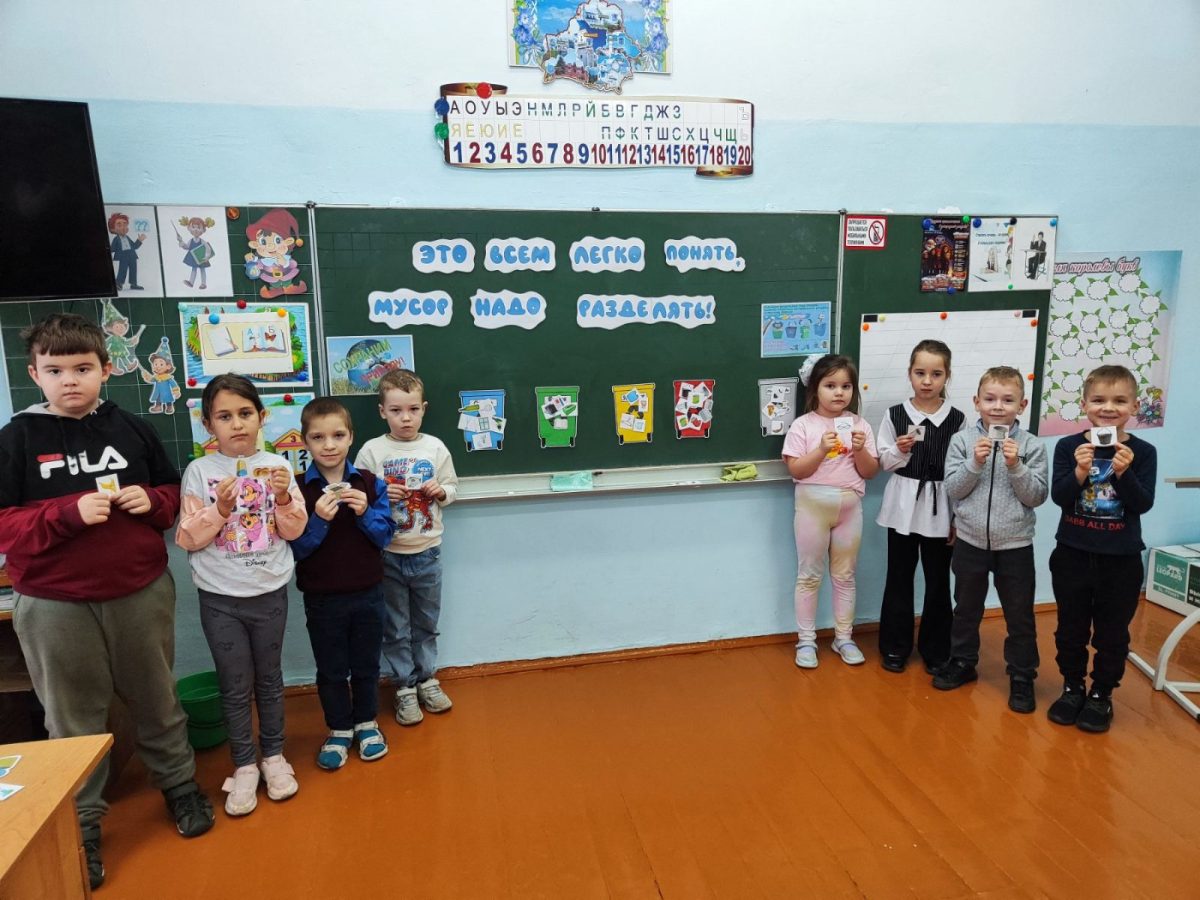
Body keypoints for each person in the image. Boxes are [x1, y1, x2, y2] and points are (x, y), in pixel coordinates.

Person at [0, 313, 213, 890]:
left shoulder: (134, 429)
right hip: (55, 604)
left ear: (106, 369)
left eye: (82, 368)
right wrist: (65, 514)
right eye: (55, 370)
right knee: (72, 718)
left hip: (138, 592)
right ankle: (83, 825)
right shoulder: (16, 440)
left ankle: (179, 786)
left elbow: (174, 496)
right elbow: (4, 525)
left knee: (157, 697)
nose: (70, 380)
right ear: (35, 375)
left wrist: (155, 502)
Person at [176, 374, 308, 816]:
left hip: (269, 591)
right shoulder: (199, 472)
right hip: (220, 598)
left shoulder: (277, 466)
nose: (237, 424)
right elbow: (188, 537)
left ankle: (274, 757)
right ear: (208, 424)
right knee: (234, 686)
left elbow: (295, 530)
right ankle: (245, 765)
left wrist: (284, 496)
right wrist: (221, 509)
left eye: (245, 413)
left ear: (262, 417)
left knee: (269, 680)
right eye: (224, 416)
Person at [1047, 365, 1156, 732]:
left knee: (1112, 633)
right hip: (1072, 554)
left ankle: (1101, 694)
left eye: (1119, 401)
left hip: (1121, 561)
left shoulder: (1143, 452)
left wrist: (1124, 473)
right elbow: (1060, 497)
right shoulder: (1068, 447)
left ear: (1134, 406)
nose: (1108, 408)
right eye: (1099, 400)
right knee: (1070, 628)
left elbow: (1142, 504)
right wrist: (1080, 471)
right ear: (1084, 404)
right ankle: (1072, 687)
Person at [934, 366, 1048, 713]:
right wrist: (974, 463)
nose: (998, 406)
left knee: (1019, 614)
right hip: (969, 542)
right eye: (990, 399)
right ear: (977, 402)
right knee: (966, 608)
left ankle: (1022, 675)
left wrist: (1016, 466)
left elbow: (1037, 496)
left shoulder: (1032, 445)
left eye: (1008, 400)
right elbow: (953, 489)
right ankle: (962, 662)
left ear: (1022, 405)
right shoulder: (962, 441)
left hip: (1015, 544)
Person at [290, 397, 395, 768]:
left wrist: (365, 511)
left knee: (366, 664)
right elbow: (296, 549)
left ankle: (366, 723)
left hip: (369, 593)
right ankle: (338, 729)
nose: (329, 445)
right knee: (331, 669)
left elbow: (385, 536)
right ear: (305, 441)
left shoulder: (370, 483)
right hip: (322, 599)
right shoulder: (297, 490)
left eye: (337, 435)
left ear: (351, 436)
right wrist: (318, 520)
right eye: (318, 437)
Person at [354, 370, 459, 725]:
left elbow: (452, 488)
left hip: (427, 551)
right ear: (382, 411)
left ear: (424, 409)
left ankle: (427, 678)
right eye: (396, 410)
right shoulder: (372, 451)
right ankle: (404, 686)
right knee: (395, 626)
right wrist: (380, 492)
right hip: (387, 555)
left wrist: (441, 491)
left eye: (413, 409)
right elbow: (358, 497)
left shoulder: (435, 448)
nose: (405, 418)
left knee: (426, 623)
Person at [782, 354, 879, 669]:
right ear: (815, 388)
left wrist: (860, 448)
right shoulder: (803, 425)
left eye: (846, 386)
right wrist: (822, 449)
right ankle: (806, 640)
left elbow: (869, 472)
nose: (839, 392)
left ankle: (844, 637)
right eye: (830, 385)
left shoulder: (860, 425)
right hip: (812, 506)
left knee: (845, 575)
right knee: (809, 575)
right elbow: (796, 469)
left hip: (850, 508)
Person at [876, 340, 967, 674]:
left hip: (942, 506)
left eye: (936, 374)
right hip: (902, 505)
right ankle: (895, 647)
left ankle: (936, 649)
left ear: (947, 376)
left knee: (938, 580)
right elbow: (883, 461)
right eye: (920, 373)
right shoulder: (895, 414)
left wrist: (957, 517)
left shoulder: (957, 419)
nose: (927, 381)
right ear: (910, 374)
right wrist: (899, 451)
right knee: (899, 576)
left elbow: (962, 470)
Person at [107, 211, 146, 290]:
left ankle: (133, 284)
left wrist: (139, 240)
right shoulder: (116, 239)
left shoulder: (127, 237)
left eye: (125, 224)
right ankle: (119, 283)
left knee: (133, 270)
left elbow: (134, 246)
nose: (123, 227)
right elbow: (112, 249)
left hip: (132, 256)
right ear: (113, 229)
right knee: (122, 270)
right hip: (123, 257)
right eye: (119, 225)